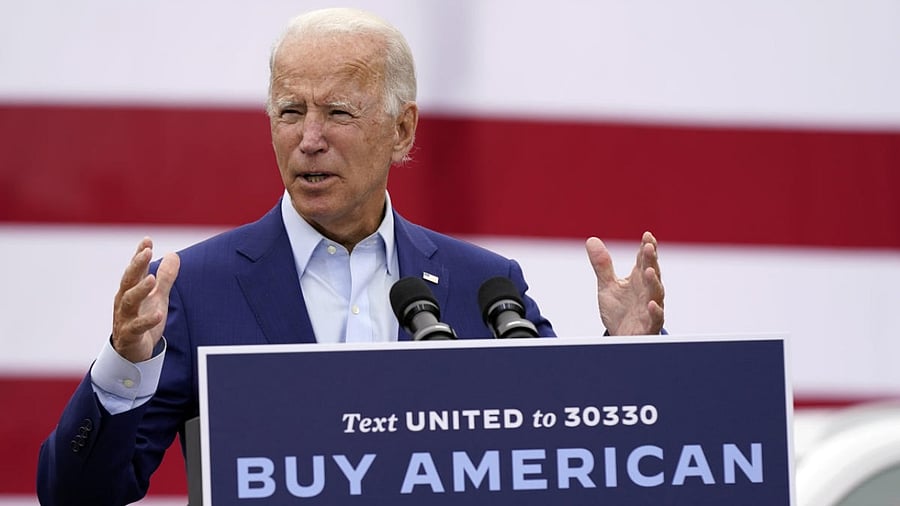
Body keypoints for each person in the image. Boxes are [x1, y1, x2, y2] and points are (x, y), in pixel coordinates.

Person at [36, 7, 664, 505]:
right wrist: (124, 369)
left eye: (338, 112)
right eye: (290, 111)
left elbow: (563, 460)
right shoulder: (197, 289)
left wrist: (632, 360)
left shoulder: (485, 287)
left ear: (403, 129)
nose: (309, 140)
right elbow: (77, 495)